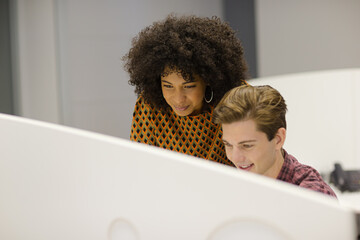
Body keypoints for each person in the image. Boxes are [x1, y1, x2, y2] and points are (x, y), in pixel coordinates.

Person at [123, 14, 248, 166]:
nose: (178, 99)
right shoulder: (149, 105)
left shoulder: (238, 100)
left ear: (208, 78)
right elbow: (140, 163)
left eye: (188, 86)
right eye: (168, 86)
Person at [213, 85, 336, 197]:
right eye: (228, 145)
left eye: (247, 145)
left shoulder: (312, 197)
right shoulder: (233, 187)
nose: (235, 157)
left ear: (278, 139)